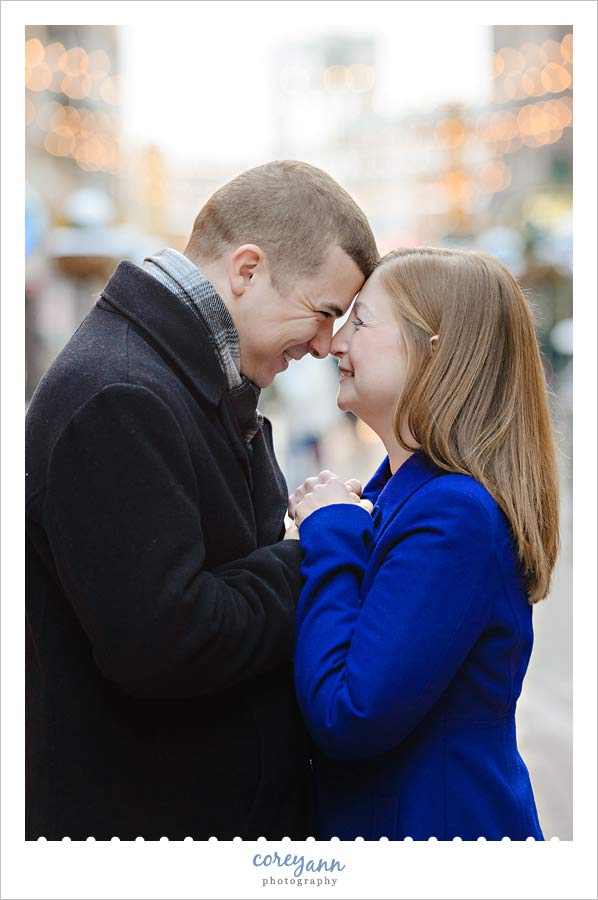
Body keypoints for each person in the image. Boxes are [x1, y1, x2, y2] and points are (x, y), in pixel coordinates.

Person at [25, 160, 378, 840]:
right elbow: (166, 641)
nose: (328, 344)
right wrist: (315, 552)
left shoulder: (187, 379)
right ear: (246, 270)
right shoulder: (121, 394)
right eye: (326, 311)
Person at [287, 247, 560, 840]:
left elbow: (348, 714)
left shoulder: (453, 513)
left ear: (432, 352)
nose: (335, 344)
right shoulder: (410, 498)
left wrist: (330, 536)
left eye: (360, 322)